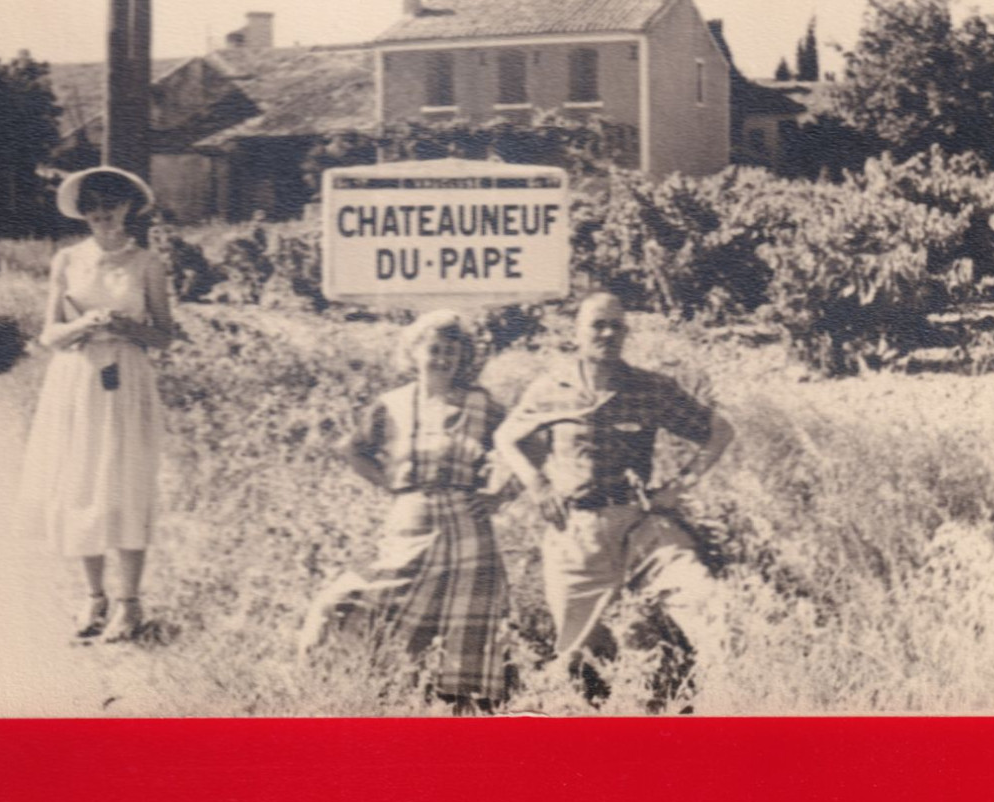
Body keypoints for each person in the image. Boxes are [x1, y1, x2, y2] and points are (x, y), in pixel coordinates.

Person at [494, 291, 733, 679]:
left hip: (641, 528)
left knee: (709, 606)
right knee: (580, 659)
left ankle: (727, 707)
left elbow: (719, 431)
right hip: (577, 536)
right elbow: (506, 437)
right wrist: (536, 483)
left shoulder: (650, 388)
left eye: (616, 326)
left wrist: (677, 487)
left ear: (627, 332)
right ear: (577, 331)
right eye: (597, 325)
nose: (608, 333)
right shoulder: (550, 388)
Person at [301, 311, 510, 712]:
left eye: (452, 351)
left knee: (464, 626)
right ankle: (338, 697)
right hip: (409, 527)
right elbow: (352, 448)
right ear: (414, 352)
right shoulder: (392, 404)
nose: (442, 359)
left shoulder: (481, 405)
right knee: (342, 601)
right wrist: (391, 486)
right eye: (434, 349)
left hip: (469, 531)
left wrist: (499, 495)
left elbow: (524, 444)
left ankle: (460, 719)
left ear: (464, 357)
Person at [18, 166, 175, 643]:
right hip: (78, 377)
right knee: (81, 482)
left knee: (125, 483)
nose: (103, 215)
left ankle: (130, 605)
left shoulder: (147, 263)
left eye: (112, 204)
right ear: (83, 214)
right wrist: (82, 327)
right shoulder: (66, 261)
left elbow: (165, 335)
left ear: (130, 208)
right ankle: (94, 600)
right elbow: (49, 333)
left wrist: (128, 328)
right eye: (93, 208)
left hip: (126, 379)